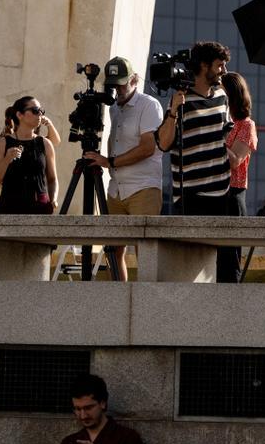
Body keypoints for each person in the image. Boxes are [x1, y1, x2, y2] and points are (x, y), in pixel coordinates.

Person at [155, 41, 240, 283]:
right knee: (190, 266)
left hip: (221, 192)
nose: (223, 70)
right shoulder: (182, 99)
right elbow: (163, 143)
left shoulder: (222, 96)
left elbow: (224, 135)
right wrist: (173, 111)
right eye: (219, 65)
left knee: (225, 267)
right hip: (190, 195)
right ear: (204, 66)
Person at [83, 57, 164, 281]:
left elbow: (148, 147)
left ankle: (146, 301)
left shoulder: (149, 104)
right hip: (116, 189)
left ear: (134, 79)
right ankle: (120, 297)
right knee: (114, 249)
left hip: (143, 188)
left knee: (145, 249)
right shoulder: (114, 109)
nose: (116, 89)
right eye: (112, 84)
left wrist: (111, 162)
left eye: (121, 83)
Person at [0, 96, 57, 214]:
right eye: (35, 111)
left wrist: (53, 199)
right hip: (9, 208)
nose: (40, 114)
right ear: (20, 115)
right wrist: (7, 160)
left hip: (40, 208)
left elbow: (52, 179)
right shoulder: (2, 143)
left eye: (41, 111)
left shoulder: (45, 143)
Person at [54, 373, 144, 444]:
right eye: (77, 409)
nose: (83, 416)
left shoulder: (128, 438)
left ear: (103, 403)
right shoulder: (69, 442)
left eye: (88, 408)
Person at [222, 72, 258, 217]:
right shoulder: (219, 118)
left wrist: (216, 136)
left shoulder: (245, 125)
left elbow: (235, 160)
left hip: (232, 193)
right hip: (211, 191)